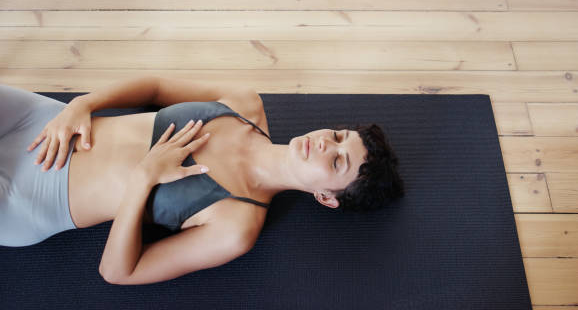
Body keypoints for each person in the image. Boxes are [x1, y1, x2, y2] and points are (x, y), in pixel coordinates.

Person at [0, 76, 404, 284]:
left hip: (29, 198)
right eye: (336, 136)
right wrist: (81, 105)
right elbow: (156, 85)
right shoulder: (245, 104)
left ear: (326, 197)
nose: (322, 145)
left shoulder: (236, 226)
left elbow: (118, 271)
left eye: (336, 163)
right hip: (43, 122)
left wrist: (144, 179)